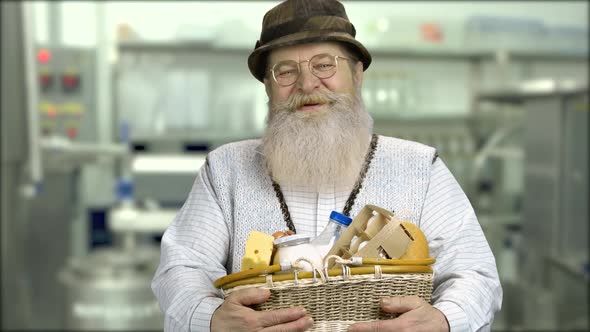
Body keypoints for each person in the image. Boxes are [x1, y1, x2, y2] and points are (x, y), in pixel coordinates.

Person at [151, 0, 502, 331]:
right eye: (285, 71)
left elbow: (474, 274)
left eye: (324, 65)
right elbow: (182, 269)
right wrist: (212, 320)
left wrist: (443, 320)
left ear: (357, 73)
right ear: (268, 88)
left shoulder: (421, 168)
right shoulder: (225, 169)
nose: (307, 84)